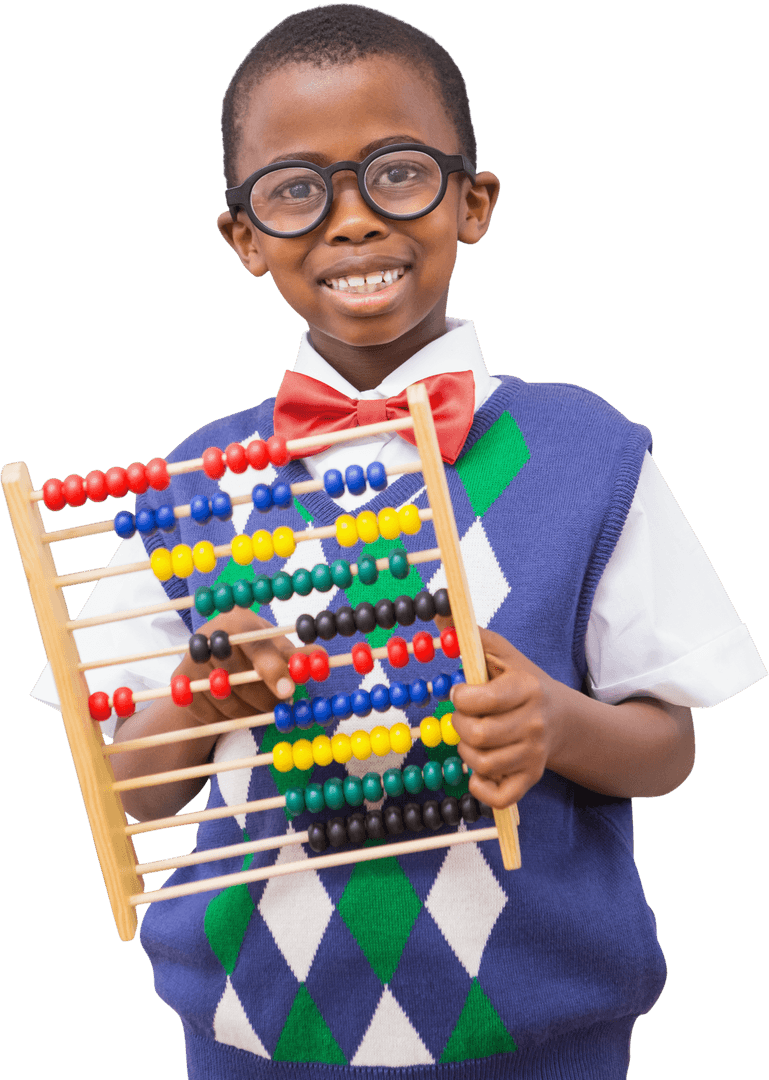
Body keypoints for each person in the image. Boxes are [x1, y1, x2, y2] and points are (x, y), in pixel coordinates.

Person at [30, 6, 766, 1078]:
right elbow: (128, 791)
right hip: (251, 1030)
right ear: (243, 238)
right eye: (296, 189)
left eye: (398, 173)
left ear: (472, 202)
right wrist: (200, 700)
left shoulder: (586, 455)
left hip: (537, 1030)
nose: (354, 220)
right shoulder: (188, 487)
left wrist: (553, 724)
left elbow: (670, 745)